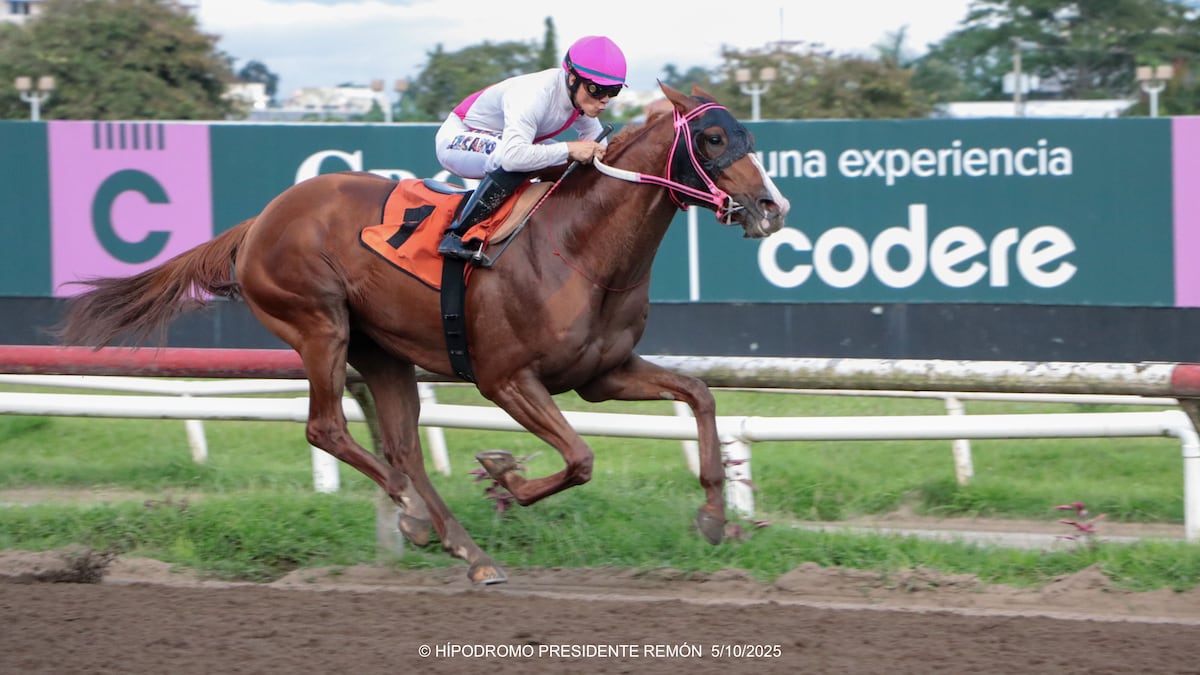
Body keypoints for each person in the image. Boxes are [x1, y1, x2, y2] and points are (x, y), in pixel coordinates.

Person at [434, 35, 626, 261]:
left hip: (504, 139)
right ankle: (458, 235)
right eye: (596, 89)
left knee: (568, 157)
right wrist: (570, 149)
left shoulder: (579, 99)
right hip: (458, 136)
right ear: (572, 78)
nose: (604, 100)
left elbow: (597, 149)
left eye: (613, 91)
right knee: (517, 156)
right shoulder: (534, 94)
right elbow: (513, 158)